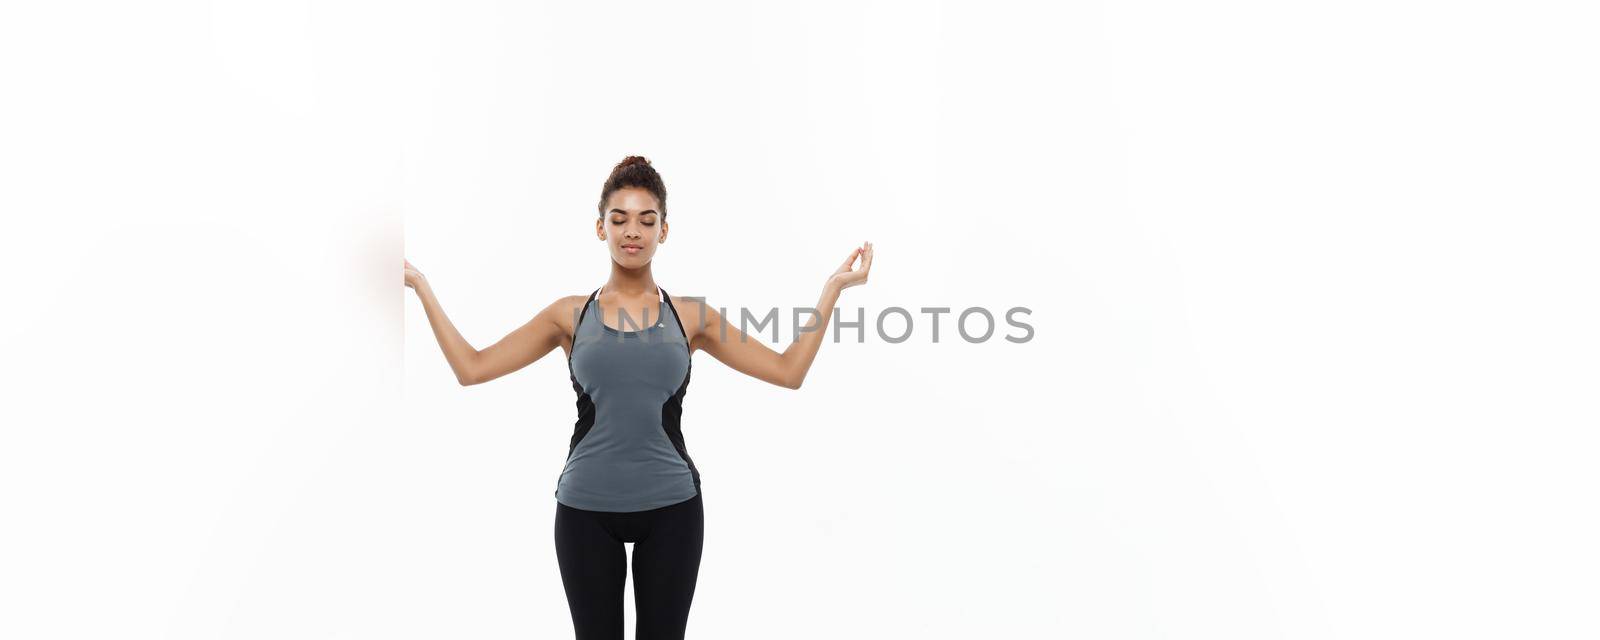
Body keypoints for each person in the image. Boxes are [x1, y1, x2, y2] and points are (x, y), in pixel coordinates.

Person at [402, 155, 873, 639]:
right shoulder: (569, 315)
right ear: (600, 227)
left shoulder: (691, 317)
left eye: (647, 220)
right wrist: (421, 287)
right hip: (585, 510)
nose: (633, 231)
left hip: (672, 508)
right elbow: (472, 367)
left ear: (664, 230)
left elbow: (788, 370)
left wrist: (832, 289)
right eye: (619, 219)